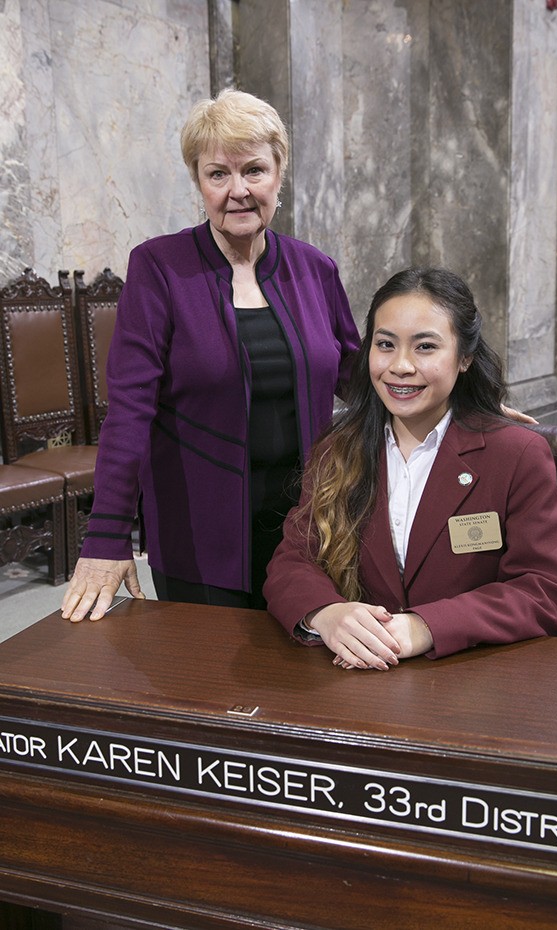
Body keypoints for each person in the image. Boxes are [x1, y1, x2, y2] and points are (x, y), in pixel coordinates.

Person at [61, 88, 360, 622]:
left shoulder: (316, 269)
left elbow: (363, 375)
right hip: (199, 531)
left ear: (279, 173)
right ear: (198, 181)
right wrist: (106, 537)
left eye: (254, 171)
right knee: (208, 690)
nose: (238, 191)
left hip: (307, 525)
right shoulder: (159, 268)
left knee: (304, 686)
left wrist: (463, 402)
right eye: (217, 173)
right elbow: (129, 410)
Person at [264, 268, 557, 668]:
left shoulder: (516, 454)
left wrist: (426, 626)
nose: (401, 366)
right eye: (385, 345)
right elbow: (292, 560)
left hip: (477, 681)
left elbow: (545, 591)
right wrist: (326, 614)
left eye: (425, 347)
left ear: (464, 357)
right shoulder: (338, 448)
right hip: (360, 681)